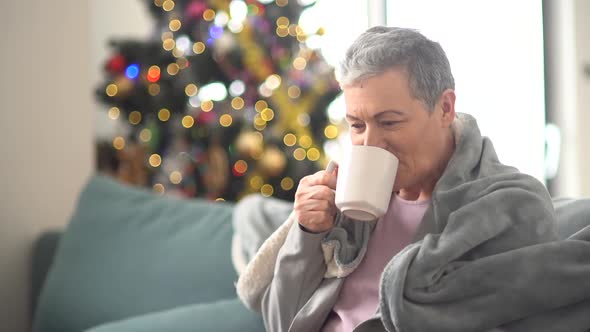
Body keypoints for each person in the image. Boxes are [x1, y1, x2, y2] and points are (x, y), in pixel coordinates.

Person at [234, 26, 590, 331]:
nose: (370, 143)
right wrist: (307, 235)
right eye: (357, 125)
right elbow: (282, 323)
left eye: (389, 122)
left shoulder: (509, 204)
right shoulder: (345, 197)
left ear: (445, 108)